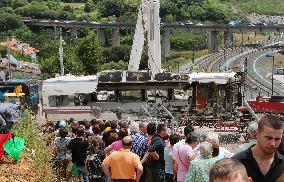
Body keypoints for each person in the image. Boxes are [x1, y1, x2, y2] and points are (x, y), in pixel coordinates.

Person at [233, 114, 284, 182]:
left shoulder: (282, 164)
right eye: (268, 138)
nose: (273, 144)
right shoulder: (237, 162)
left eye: (277, 139)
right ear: (257, 134)